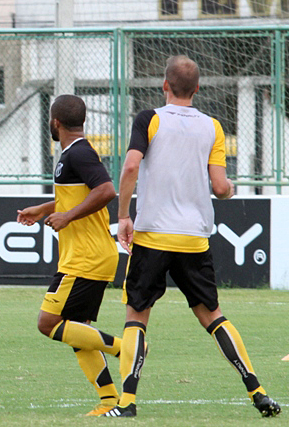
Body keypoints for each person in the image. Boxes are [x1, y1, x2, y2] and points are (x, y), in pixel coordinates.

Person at [105, 56, 281, 418]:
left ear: (164, 85)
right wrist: (230, 189)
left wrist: (124, 215)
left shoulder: (149, 119)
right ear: (197, 89)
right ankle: (257, 390)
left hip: (153, 235)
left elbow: (131, 166)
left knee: (137, 316)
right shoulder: (212, 127)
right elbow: (220, 186)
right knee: (213, 315)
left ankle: (127, 402)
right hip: (194, 239)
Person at [17, 94, 122, 416]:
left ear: (55, 122)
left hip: (86, 258)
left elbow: (106, 190)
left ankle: (128, 347)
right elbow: (81, 195)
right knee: (78, 330)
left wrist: (66, 217)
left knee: (48, 323)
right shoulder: (72, 155)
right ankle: (108, 400)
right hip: (87, 256)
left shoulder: (79, 153)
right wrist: (47, 208)